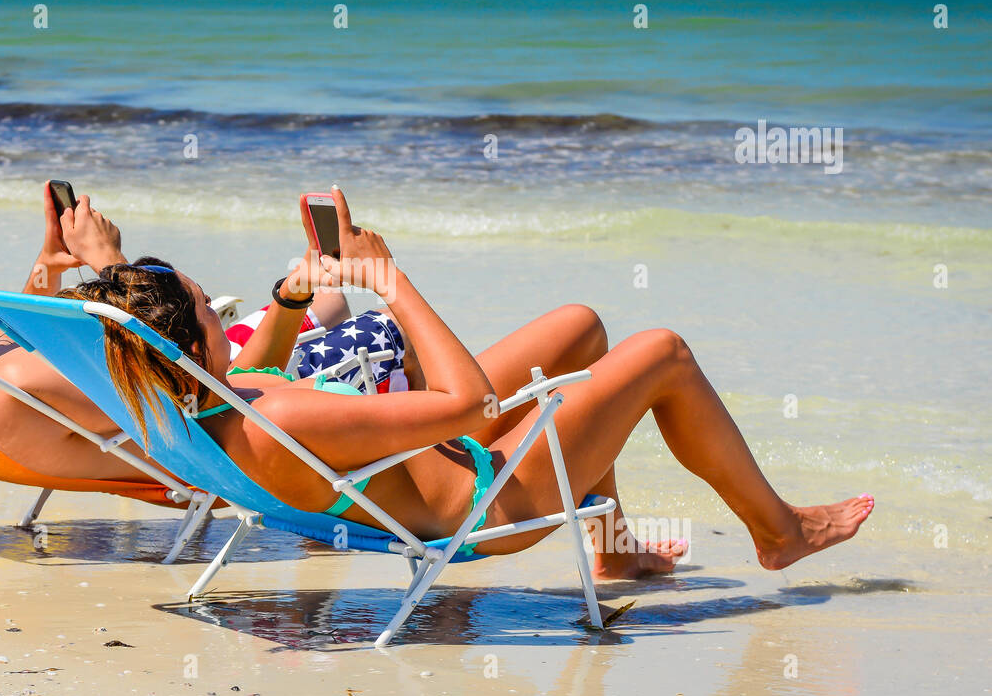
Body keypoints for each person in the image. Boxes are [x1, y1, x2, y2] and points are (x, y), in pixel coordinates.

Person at [69, 186, 875, 577]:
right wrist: (388, 277)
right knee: (661, 351)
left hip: (438, 460)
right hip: (489, 502)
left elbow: (247, 369)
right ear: (192, 344)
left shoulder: (202, 406)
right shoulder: (272, 415)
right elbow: (471, 405)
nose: (222, 311)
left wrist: (287, 299)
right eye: (212, 309)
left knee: (581, 327)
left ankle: (614, 550)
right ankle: (779, 531)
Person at [0, 183, 416, 484]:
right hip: (226, 428)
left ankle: (302, 294)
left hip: (205, 393)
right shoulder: (15, 385)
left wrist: (52, 267)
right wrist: (113, 264)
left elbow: (14, 335)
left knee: (323, 294)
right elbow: (203, 382)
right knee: (384, 330)